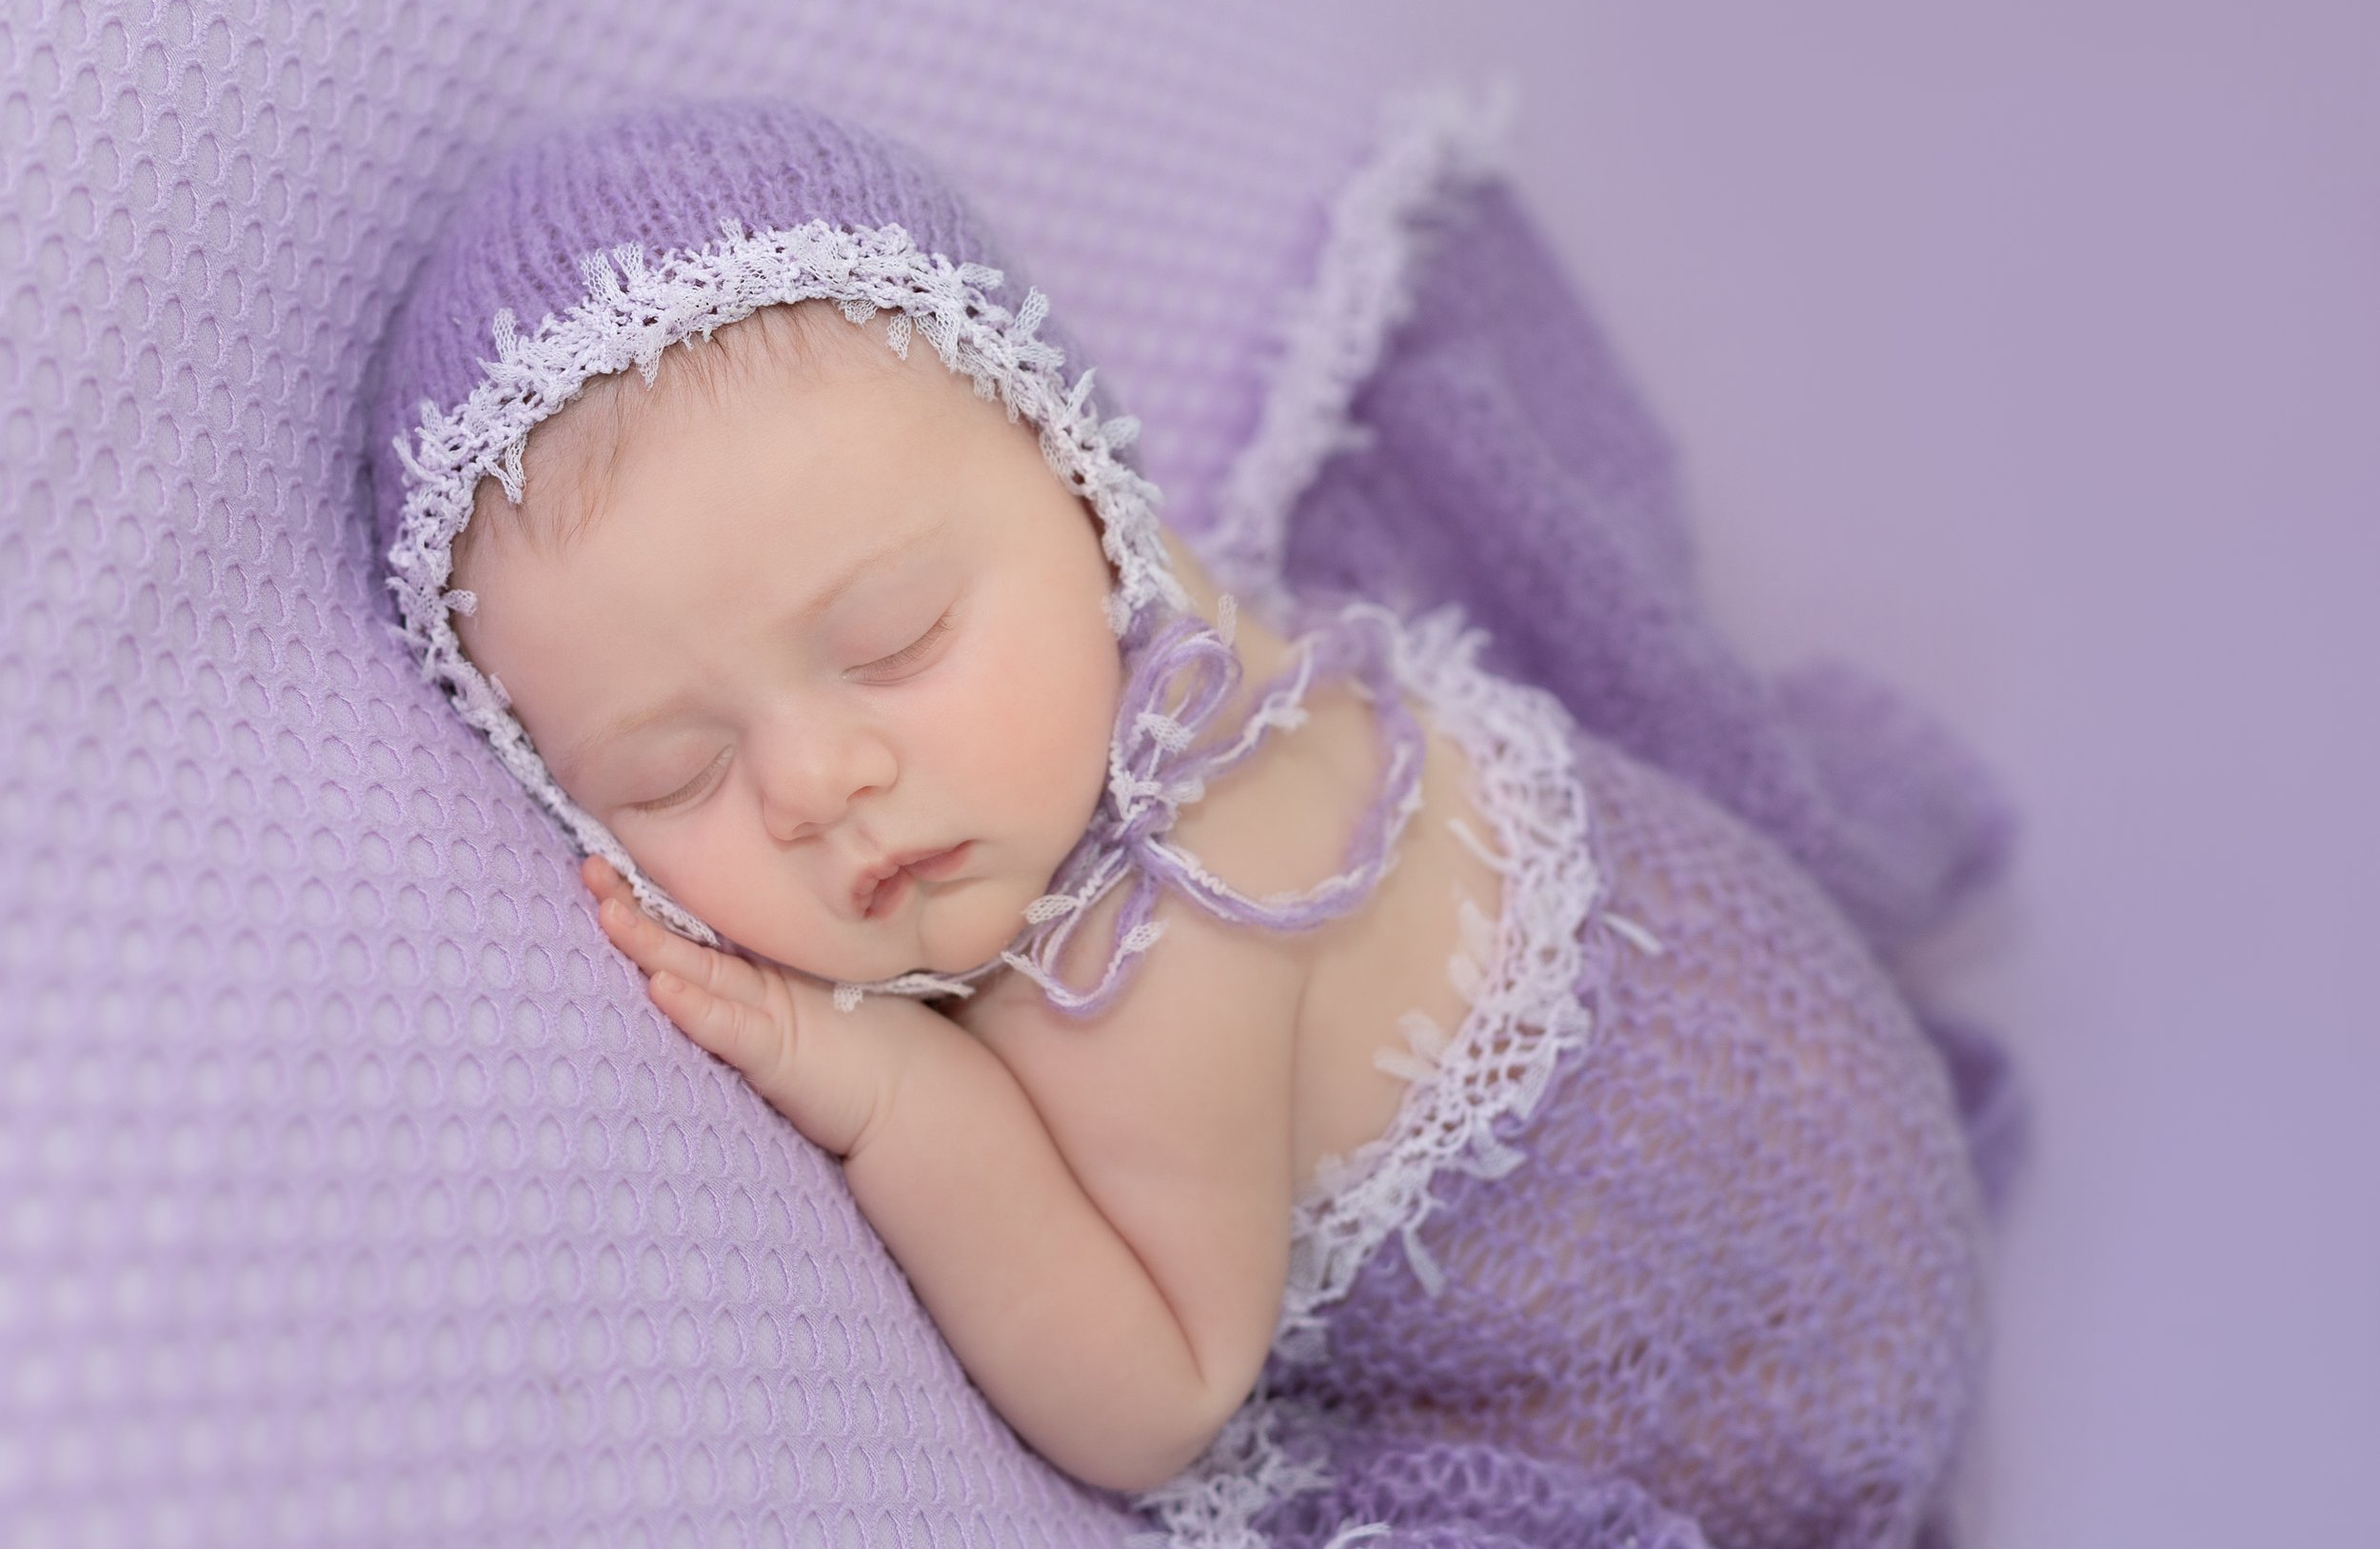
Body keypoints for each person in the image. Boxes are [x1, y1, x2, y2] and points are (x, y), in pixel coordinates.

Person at [368, 99, 1990, 1549]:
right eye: (670, 774)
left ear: (1090, 501)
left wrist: (902, 1097)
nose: (816, 784)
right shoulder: (1112, 668)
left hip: (1765, 1341)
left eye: (895, 642)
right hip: (1813, 1078)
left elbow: (1158, 1395)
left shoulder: (1175, 924)